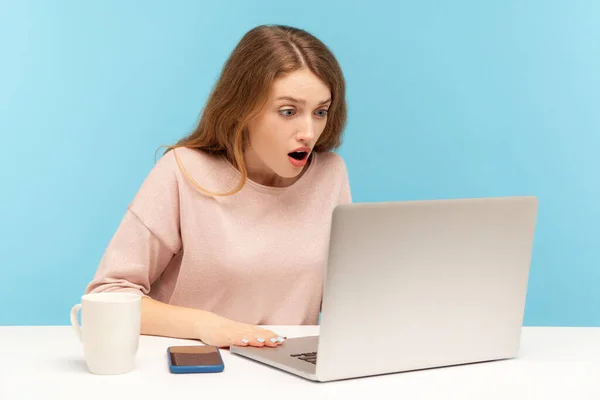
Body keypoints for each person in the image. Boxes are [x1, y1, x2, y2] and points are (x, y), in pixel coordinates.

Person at [85, 24, 351, 349]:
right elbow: (108, 296)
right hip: (198, 367)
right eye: (288, 111)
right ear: (244, 110)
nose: (309, 132)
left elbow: (341, 298)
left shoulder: (330, 175)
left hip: (290, 371)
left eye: (320, 112)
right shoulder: (183, 171)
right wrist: (206, 326)